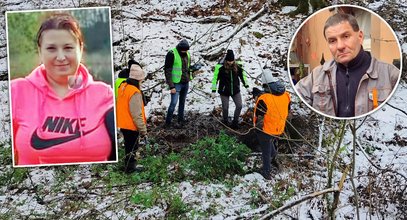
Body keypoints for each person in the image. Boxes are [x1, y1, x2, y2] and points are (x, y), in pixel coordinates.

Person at [11, 13, 115, 166]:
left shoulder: (105, 94)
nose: (60, 57)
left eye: (68, 48)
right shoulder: (16, 91)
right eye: (51, 48)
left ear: (80, 49)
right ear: (40, 52)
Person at [295, 13, 400, 118]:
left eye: (346, 36)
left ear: (360, 36)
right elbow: (292, 101)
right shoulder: (317, 76)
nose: (340, 46)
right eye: (332, 41)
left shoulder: (391, 75)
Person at [253, 71, 290, 180]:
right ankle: (274, 157)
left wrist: (256, 128)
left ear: (264, 84)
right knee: (270, 143)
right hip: (279, 127)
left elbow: (259, 116)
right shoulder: (286, 95)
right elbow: (287, 109)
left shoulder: (263, 99)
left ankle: (266, 172)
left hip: (266, 129)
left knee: (265, 151)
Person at [116, 61, 147, 173]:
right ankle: (130, 169)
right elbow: (136, 114)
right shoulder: (135, 92)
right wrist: (143, 130)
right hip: (131, 125)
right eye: (141, 79)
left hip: (123, 123)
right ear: (138, 79)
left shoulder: (123, 86)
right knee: (132, 148)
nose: (142, 81)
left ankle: (129, 167)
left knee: (129, 147)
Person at [211, 50, 249, 128]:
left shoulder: (238, 66)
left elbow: (243, 77)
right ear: (226, 60)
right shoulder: (220, 67)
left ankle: (235, 122)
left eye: (232, 61)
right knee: (225, 108)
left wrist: (247, 86)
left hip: (235, 90)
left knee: (239, 106)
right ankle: (225, 122)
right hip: (224, 91)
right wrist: (213, 90)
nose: (230, 62)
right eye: (229, 61)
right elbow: (215, 79)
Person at [164, 39, 192, 128]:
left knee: (182, 102)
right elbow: (167, 71)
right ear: (180, 49)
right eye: (184, 50)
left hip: (185, 82)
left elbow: (187, 67)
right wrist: (171, 86)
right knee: (173, 103)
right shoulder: (171, 54)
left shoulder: (187, 54)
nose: (185, 52)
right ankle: (167, 123)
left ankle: (181, 120)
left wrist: (192, 72)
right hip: (176, 83)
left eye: (187, 50)